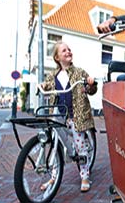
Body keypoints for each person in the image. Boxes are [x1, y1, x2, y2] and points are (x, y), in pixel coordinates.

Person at [38, 41, 97, 192]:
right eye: (64, 51)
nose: (68, 52)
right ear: (57, 57)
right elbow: (47, 85)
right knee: (56, 144)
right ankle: (54, 177)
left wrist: (90, 84)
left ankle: (84, 176)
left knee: (80, 146)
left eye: (69, 50)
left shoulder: (79, 72)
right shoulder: (53, 75)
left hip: (75, 115)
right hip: (60, 116)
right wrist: (43, 86)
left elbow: (91, 90)